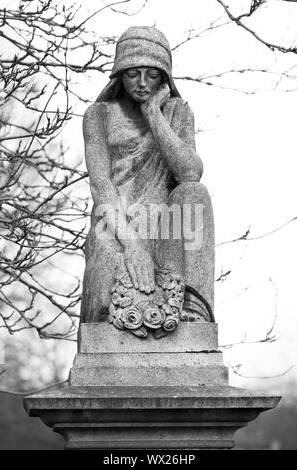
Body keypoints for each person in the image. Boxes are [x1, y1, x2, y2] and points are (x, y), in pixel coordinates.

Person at [80, 26, 215, 329]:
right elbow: (101, 187)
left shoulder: (178, 112)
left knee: (195, 194)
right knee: (111, 269)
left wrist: (154, 115)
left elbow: (190, 172)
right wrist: (132, 245)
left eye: (152, 75)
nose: (142, 83)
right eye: (133, 73)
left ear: (164, 77)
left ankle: (192, 306)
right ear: (119, 74)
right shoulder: (98, 115)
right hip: (114, 223)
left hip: (166, 225)